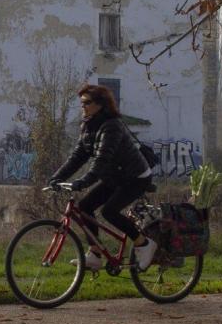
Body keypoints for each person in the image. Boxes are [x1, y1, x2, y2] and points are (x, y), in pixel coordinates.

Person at [48, 84, 157, 271]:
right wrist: (56, 178)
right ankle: (95, 254)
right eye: (81, 103)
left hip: (135, 177)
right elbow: (78, 156)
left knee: (109, 211)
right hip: (115, 177)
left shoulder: (112, 126)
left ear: (101, 104)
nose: (83, 107)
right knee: (83, 208)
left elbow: (102, 159)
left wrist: (84, 181)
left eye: (87, 103)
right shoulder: (89, 126)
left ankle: (144, 244)